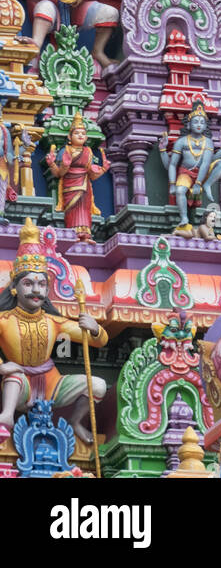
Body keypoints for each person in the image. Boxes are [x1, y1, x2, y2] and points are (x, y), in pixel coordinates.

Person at [0, 217, 107, 441]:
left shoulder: (54, 322)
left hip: (52, 384)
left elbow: (97, 342)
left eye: (41, 284)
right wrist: (2, 367)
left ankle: (76, 422)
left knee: (98, 385)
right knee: (15, 377)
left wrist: (95, 329)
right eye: (28, 284)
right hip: (20, 387)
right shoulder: (4, 319)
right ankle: (6, 419)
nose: (36, 290)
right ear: (14, 288)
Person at [158, 99, 221, 236]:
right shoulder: (182, 142)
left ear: (205, 127)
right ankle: (184, 217)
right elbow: (171, 165)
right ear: (189, 125)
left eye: (202, 122)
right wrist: (163, 151)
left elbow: (206, 163)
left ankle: (208, 185)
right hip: (185, 173)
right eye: (195, 122)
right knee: (180, 191)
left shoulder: (208, 142)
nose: (199, 124)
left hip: (202, 174)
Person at [46, 113, 110, 240]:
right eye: (77, 133)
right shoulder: (66, 151)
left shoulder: (88, 152)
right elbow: (59, 173)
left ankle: (85, 234)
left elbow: (92, 174)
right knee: (73, 208)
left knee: (83, 208)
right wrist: (52, 163)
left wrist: (103, 169)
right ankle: (72, 232)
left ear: (86, 138)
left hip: (85, 184)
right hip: (69, 184)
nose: (80, 135)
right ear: (70, 136)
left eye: (83, 133)